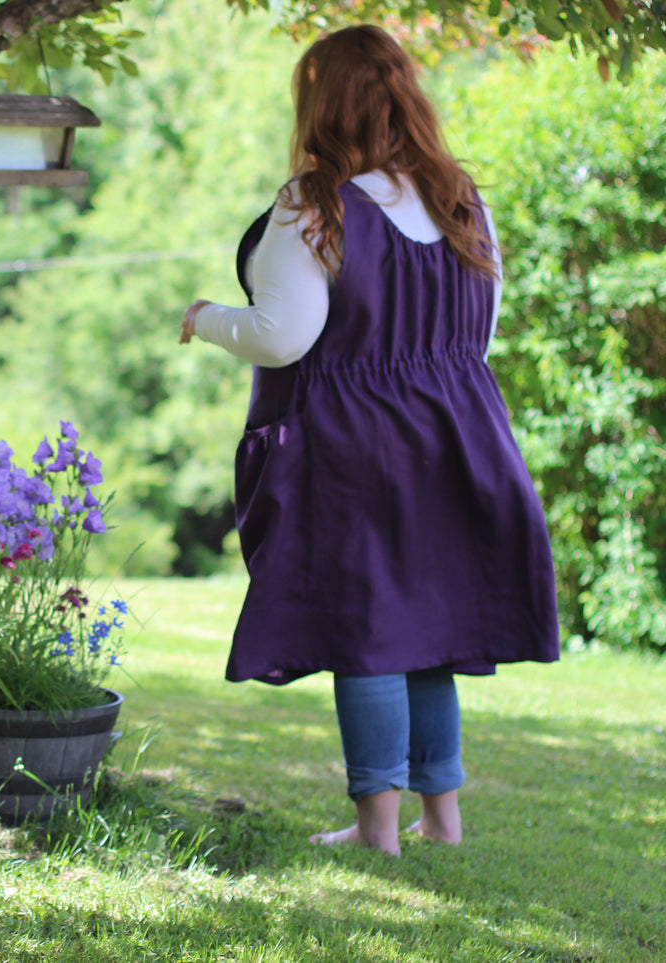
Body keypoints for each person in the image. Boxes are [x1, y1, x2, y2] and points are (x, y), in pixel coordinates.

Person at [178, 25, 559, 856]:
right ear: (404, 99)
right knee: (430, 630)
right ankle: (442, 819)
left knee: (369, 628)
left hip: (355, 447)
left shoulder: (314, 203)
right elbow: (482, 328)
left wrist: (204, 319)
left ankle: (375, 829)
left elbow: (282, 336)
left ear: (323, 107)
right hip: (459, 434)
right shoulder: (462, 197)